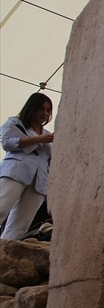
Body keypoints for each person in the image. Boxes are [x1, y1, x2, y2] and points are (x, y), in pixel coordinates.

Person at [0, 92, 54, 241]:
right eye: (41, 108)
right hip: (16, 173)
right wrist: (38, 139)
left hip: (39, 181)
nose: (45, 113)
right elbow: (7, 143)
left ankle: (4, 252)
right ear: (32, 108)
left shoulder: (48, 135)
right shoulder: (15, 122)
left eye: (48, 110)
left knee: (21, 224)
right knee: (1, 208)